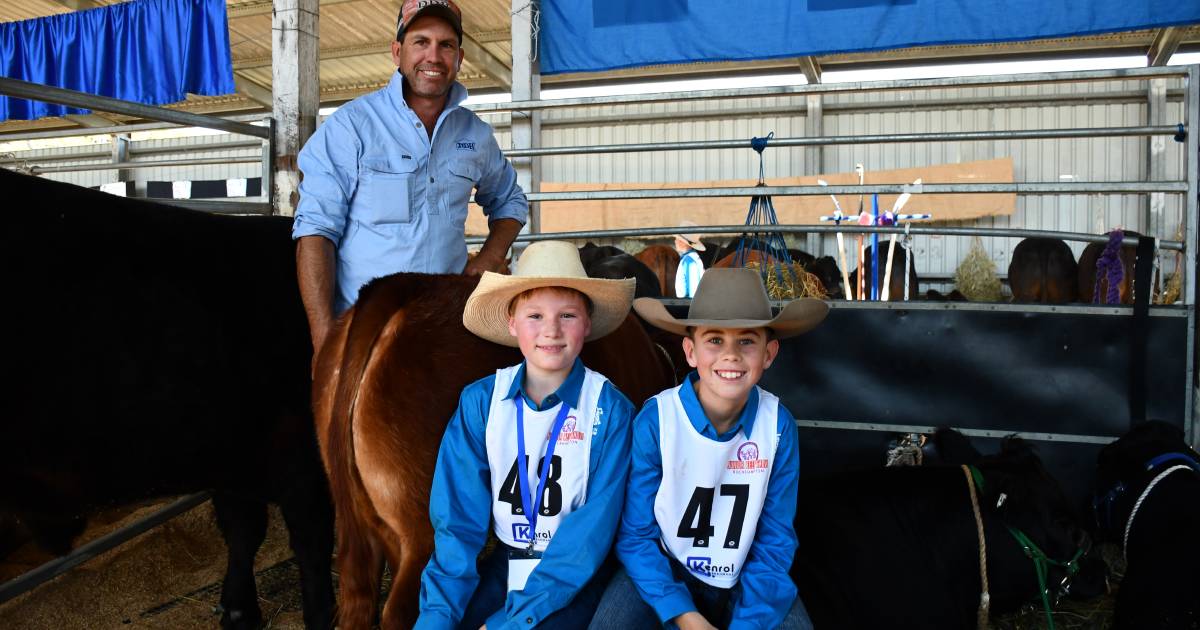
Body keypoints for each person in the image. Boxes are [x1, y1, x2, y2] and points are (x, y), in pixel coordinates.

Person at [416, 241, 639, 629]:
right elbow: (457, 522)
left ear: (587, 324)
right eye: (535, 315)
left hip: (575, 574)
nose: (551, 330)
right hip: (508, 561)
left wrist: (511, 622)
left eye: (567, 315)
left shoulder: (610, 412)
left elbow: (590, 535)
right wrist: (437, 618)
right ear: (511, 323)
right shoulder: (482, 402)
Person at [591, 268, 828, 629]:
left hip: (746, 575)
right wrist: (684, 616)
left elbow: (776, 537)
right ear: (690, 351)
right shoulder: (657, 420)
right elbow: (636, 535)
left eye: (747, 341)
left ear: (769, 353)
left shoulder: (778, 425)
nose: (730, 355)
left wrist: (748, 622)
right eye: (714, 340)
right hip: (665, 570)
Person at [291, 0, 527, 354]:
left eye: (445, 45)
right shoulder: (351, 127)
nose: (433, 56)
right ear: (397, 52)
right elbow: (315, 232)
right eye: (421, 42)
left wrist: (490, 257)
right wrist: (325, 342)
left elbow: (510, 200)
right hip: (368, 330)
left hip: (448, 320)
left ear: (459, 58)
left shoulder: (474, 134)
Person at [674, 221, 707, 298]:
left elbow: (693, 293)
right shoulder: (691, 258)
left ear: (683, 242)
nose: (675, 241)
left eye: (677, 239)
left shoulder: (689, 261)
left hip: (687, 306)